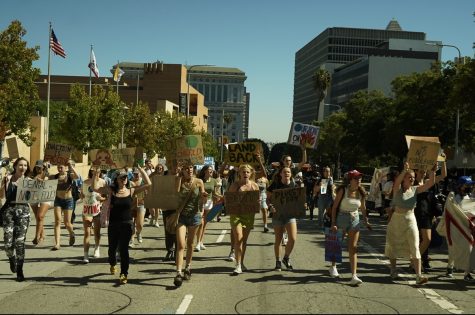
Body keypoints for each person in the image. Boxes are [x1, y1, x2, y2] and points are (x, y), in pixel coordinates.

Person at [95, 166, 151, 285]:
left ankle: (124, 273)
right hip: (114, 224)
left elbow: (149, 184)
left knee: (124, 250)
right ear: (116, 179)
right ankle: (112, 263)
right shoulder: (111, 190)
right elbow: (95, 188)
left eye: (125, 177)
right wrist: (96, 172)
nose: (124, 179)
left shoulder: (131, 190)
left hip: (127, 224)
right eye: (121, 177)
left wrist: (142, 171)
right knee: (112, 250)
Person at [385, 162, 437, 285]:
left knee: (415, 244)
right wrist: (405, 170)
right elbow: (397, 182)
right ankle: (393, 269)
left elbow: (430, 183)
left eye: (413, 178)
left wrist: (433, 172)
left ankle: (418, 275)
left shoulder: (415, 190)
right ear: (404, 179)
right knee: (394, 244)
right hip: (397, 219)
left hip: (410, 218)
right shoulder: (397, 189)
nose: (412, 179)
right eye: (410, 177)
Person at [329, 170, 371, 286]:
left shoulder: (361, 192)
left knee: (353, 247)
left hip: (354, 219)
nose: (359, 181)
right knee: (337, 244)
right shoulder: (343, 190)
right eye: (356, 179)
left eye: (360, 179)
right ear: (350, 180)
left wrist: (366, 221)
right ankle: (333, 266)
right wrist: (333, 222)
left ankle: (354, 275)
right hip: (341, 218)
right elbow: (334, 207)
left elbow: (362, 208)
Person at [173, 163, 206, 287]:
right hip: (181, 216)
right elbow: (175, 193)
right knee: (181, 244)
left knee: (190, 244)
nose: (189, 170)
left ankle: (188, 267)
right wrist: (178, 177)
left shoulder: (199, 181)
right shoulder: (179, 180)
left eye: (191, 168)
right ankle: (178, 273)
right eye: (186, 168)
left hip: (194, 216)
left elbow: (203, 196)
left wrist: (204, 197)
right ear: (183, 170)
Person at [0, 157, 32, 281]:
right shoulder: (7, 179)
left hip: (23, 211)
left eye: (25, 165)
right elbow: (1, 196)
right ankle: (11, 258)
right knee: (8, 244)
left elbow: (33, 198)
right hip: (9, 210)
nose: (23, 167)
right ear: (15, 166)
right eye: (20, 165)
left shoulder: (29, 180)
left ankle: (20, 270)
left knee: (20, 242)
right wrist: (3, 184)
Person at [414, 159, 446, 272]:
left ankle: (414, 261)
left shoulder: (429, 181)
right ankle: (417, 262)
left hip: (427, 214)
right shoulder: (413, 184)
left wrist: (443, 161)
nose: (423, 171)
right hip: (416, 213)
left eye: (424, 170)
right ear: (416, 171)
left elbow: (443, 175)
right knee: (419, 240)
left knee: (427, 239)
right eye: (420, 170)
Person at [227, 164, 260, 275]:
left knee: (244, 241)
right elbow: (228, 200)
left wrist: (258, 203)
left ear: (251, 173)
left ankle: (241, 262)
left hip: (249, 216)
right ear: (239, 173)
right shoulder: (234, 185)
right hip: (236, 215)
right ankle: (238, 265)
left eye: (247, 172)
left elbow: (257, 201)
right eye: (243, 172)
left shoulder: (255, 186)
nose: (245, 174)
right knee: (238, 239)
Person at [267, 166, 300, 271]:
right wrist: (270, 206)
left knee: (293, 239)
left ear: (291, 174)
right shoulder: (275, 185)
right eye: (284, 172)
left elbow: (299, 199)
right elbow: (268, 198)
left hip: (290, 215)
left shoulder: (295, 185)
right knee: (278, 239)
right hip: (278, 215)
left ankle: (286, 258)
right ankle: (278, 261)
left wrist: (302, 205)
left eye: (288, 172)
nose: (287, 173)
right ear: (280, 174)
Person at [444, 176, 475, 282]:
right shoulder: (452, 197)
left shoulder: (469, 198)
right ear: (460, 186)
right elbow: (450, 211)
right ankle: (450, 267)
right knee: (453, 248)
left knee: (469, 248)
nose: (470, 187)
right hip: (454, 226)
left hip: (466, 227)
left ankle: (467, 273)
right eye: (467, 185)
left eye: (470, 185)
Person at [51, 161, 79, 251]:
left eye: (61, 167)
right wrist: (45, 168)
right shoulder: (55, 177)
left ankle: (71, 233)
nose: (59, 169)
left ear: (65, 167)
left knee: (67, 223)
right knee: (57, 221)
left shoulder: (69, 176)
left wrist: (71, 166)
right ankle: (57, 243)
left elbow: (77, 176)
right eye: (58, 167)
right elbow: (45, 178)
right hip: (58, 200)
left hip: (68, 200)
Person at [81, 168, 107, 263]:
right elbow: (81, 194)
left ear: (100, 172)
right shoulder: (85, 182)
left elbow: (107, 197)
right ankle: (86, 255)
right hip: (87, 210)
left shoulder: (103, 182)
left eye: (97, 170)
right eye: (93, 170)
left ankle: (97, 248)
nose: (95, 172)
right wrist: (81, 196)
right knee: (87, 233)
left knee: (96, 232)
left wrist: (101, 198)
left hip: (97, 210)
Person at [195, 164, 222, 252]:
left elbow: (214, 193)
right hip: (200, 202)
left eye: (212, 170)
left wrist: (222, 196)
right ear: (204, 171)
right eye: (209, 170)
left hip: (209, 203)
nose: (211, 171)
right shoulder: (200, 180)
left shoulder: (214, 181)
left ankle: (201, 241)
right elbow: (196, 192)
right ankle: (198, 243)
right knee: (201, 223)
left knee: (205, 223)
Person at [30, 160, 51, 246]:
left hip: (45, 196)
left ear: (43, 167)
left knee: (40, 216)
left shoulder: (46, 174)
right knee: (37, 217)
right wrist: (35, 179)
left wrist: (43, 179)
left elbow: (49, 183)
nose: (39, 168)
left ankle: (37, 237)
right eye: (37, 167)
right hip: (34, 196)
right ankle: (42, 235)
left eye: (40, 167)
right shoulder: (31, 175)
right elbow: (27, 183)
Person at [130, 168, 147, 246]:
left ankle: (139, 232)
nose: (136, 175)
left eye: (137, 173)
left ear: (140, 174)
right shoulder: (129, 181)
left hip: (141, 203)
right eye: (134, 173)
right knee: (131, 223)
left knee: (139, 224)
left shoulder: (143, 181)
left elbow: (147, 190)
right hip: (131, 204)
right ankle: (131, 239)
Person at [255, 154, 270, 233]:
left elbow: (268, 189)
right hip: (254, 196)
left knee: (264, 209)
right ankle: (250, 224)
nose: (259, 170)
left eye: (260, 168)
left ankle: (265, 225)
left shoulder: (265, 179)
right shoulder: (253, 177)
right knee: (252, 211)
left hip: (263, 195)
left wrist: (269, 199)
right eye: (257, 168)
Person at [149, 163, 165, 228]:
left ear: (162, 169)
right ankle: (153, 217)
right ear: (156, 168)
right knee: (150, 207)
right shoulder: (152, 174)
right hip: (151, 192)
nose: (159, 169)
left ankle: (156, 221)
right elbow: (147, 180)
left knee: (157, 208)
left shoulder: (163, 175)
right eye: (158, 168)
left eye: (160, 168)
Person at [69, 160, 83, 224]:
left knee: (72, 207)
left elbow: (80, 184)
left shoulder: (78, 175)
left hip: (74, 193)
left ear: (74, 166)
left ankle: (72, 218)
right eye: (68, 165)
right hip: (66, 193)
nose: (69, 166)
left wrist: (80, 191)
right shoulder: (66, 173)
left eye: (71, 165)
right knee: (68, 208)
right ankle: (69, 219)